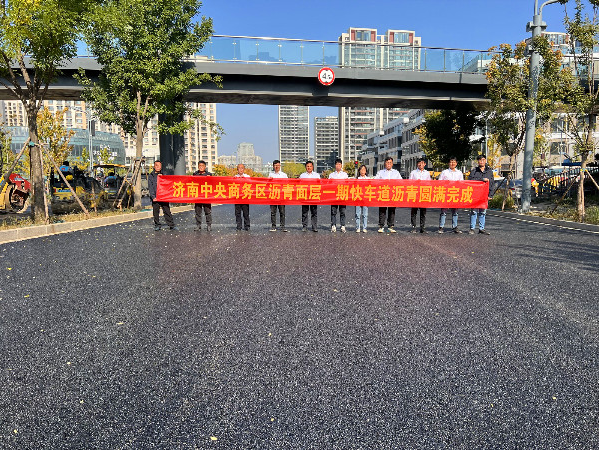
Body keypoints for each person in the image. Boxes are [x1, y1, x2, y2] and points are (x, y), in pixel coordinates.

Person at [468, 154, 494, 235]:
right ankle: (472, 228)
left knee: (483, 212)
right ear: (478, 161)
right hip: (475, 195)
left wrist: (491, 195)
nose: (481, 161)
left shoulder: (489, 171)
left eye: (483, 160)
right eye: (480, 160)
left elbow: (492, 183)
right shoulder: (474, 171)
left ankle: (481, 228)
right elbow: (470, 180)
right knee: (474, 212)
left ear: (485, 161)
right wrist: (482, 179)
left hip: (484, 195)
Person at [375, 157, 402, 233]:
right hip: (383, 193)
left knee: (392, 210)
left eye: (390, 162)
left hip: (392, 194)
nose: (389, 164)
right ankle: (381, 226)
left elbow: (401, 182)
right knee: (382, 210)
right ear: (385, 163)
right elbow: (376, 181)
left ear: (392, 164)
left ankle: (390, 226)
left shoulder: (396, 173)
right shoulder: (380, 172)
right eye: (387, 162)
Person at [438, 157, 464, 234]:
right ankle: (441, 227)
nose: (452, 164)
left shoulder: (459, 173)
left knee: (455, 211)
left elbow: (462, 183)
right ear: (449, 163)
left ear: (456, 163)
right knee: (443, 211)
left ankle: (455, 227)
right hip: (446, 194)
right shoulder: (444, 172)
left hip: (455, 194)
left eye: (454, 162)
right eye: (451, 162)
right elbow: (439, 182)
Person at [148, 160, 176, 231]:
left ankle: (171, 225)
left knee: (167, 211)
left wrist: (162, 177)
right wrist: (153, 197)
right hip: (155, 197)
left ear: (161, 167)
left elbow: (168, 185)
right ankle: (157, 225)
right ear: (154, 166)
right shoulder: (151, 176)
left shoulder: (164, 174)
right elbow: (150, 187)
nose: (158, 167)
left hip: (163, 196)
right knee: (156, 212)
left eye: (159, 165)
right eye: (156, 165)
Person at [409, 158, 431, 233]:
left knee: (423, 212)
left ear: (425, 164)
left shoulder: (427, 173)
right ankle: (413, 227)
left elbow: (429, 183)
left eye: (422, 163)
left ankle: (422, 227)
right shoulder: (413, 172)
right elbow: (409, 183)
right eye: (419, 163)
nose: (420, 164)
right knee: (414, 211)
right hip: (415, 193)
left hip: (423, 194)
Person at [299, 160, 320, 232]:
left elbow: (319, 184)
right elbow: (299, 185)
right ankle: (304, 226)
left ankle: (314, 227)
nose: (309, 167)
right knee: (304, 212)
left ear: (312, 167)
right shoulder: (302, 175)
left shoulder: (317, 175)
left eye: (310, 166)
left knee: (314, 212)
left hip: (314, 195)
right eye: (307, 166)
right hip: (305, 195)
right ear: (305, 167)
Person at [328, 158, 348, 232]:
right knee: (333, 211)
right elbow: (328, 184)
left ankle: (343, 225)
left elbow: (347, 184)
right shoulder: (331, 175)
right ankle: (333, 225)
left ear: (341, 165)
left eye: (339, 164)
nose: (338, 166)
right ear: (335, 165)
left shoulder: (345, 174)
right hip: (334, 195)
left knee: (342, 211)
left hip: (342, 194)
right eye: (337, 164)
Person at [268, 160, 288, 232]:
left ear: (280, 166)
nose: (277, 167)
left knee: (282, 212)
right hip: (273, 195)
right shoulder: (270, 175)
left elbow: (287, 184)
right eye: (275, 165)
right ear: (273, 166)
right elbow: (267, 185)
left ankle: (282, 226)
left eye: (278, 165)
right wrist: (269, 180)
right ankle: (273, 226)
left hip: (281, 196)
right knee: (273, 212)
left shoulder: (284, 175)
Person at [193, 160, 212, 231]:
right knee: (198, 212)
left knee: (208, 211)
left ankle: (209, 225)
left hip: (206, 196)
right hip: (198, 196)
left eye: (202, 166)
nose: (201, 167)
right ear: (198, 166)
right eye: (200, 166)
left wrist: (210, 178)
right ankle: (198, 225)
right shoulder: (195, 174)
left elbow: (213, 183)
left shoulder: (209, 174)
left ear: (205, 167)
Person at [234, 163, 250, 231]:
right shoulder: (235, 177)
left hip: (245, 197)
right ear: (237, 169)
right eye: (239, 168)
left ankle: (247, 226)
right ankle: (239, 226)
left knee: (246, 212)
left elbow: (251, 184)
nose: (240, 169)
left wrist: (244, 178)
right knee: (237, 213)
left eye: (242, 168)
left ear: (244, 169)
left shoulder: (247, 176)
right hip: (237, 197)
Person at [355, 164, 369, 233]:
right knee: (357, 214)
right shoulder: (356, 179)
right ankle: (358, 227)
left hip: (365, 198)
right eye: (361, 169)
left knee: (365, 214)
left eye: (364, 169)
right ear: (359, 171)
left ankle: (364, 227)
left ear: (366, 171)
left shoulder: (368, 179)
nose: (363, 171)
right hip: (358, 198)